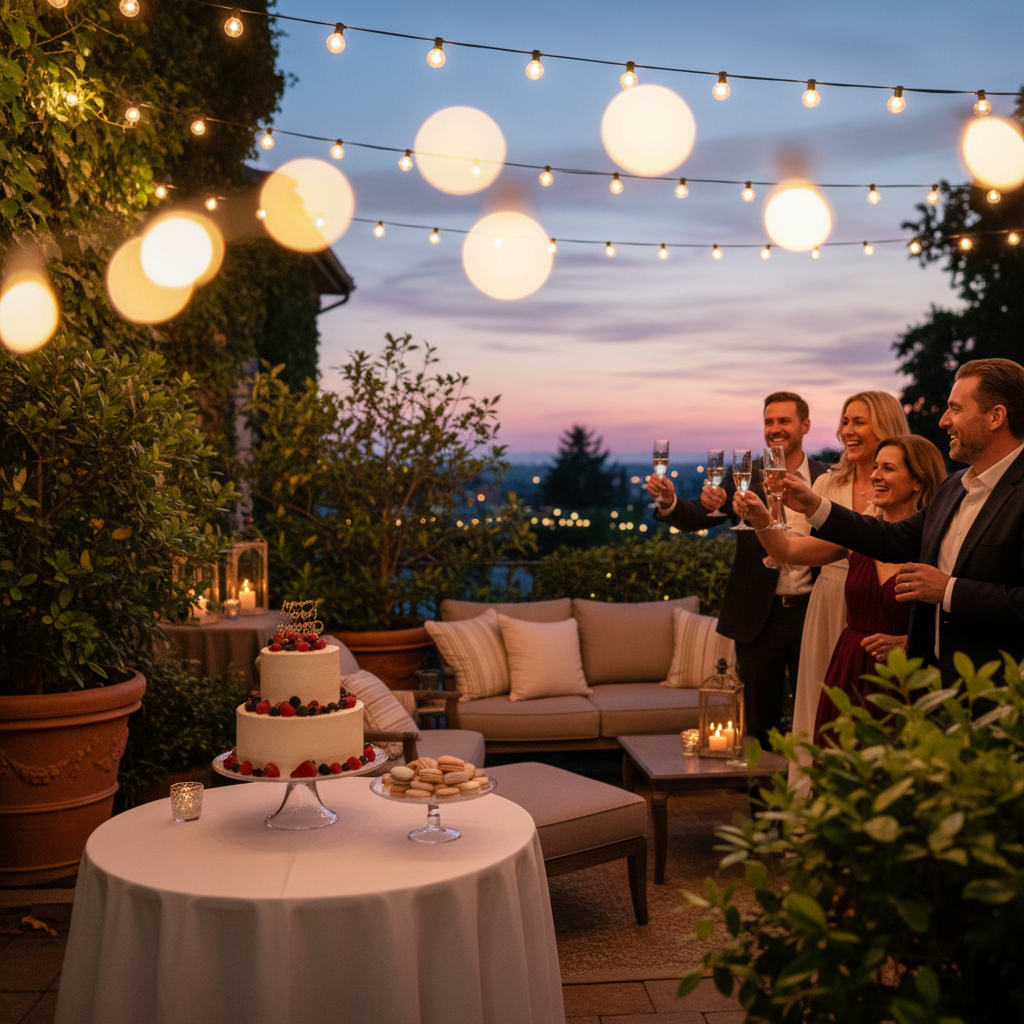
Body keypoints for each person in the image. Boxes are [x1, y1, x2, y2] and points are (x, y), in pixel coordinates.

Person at [782, 358, 1024, 679]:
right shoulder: (954, 487)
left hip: (995, 693)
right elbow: (891, 539)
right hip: (932, 686)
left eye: (956, 409)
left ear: (996, 417)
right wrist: (815, 505)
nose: (943, 421)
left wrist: (949, 591)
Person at [738, 435, 946, 742]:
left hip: (907, 676)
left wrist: (910, 641)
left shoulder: (937, 541)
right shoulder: (861, 530)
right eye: (875, 467)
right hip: (850, 666)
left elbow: (955, 608)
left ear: (918, 481)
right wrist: (760, 519)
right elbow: (787, 552)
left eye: (888, 468)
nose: (875, 475)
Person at [646, 392, 828, 741]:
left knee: (817, 715)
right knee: (759, 724)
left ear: (804, 425)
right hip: (760, 619)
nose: (775, 429)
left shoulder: (826, 478)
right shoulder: (745, 474)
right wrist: (669, 501)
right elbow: (699, 514)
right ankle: (762, 797)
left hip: (815, 612)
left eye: (784, 421)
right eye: (769, 421)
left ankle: (810, 793)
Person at [791, 392, 908, 774]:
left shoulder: (908, 493)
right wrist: (764, 520)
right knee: (818, 701)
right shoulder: (829, 481)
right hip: (830, 597)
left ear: (885, 425)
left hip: (879, 608)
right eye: (845, 422)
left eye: (859, 421)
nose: (847, 431)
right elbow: (803, 547)